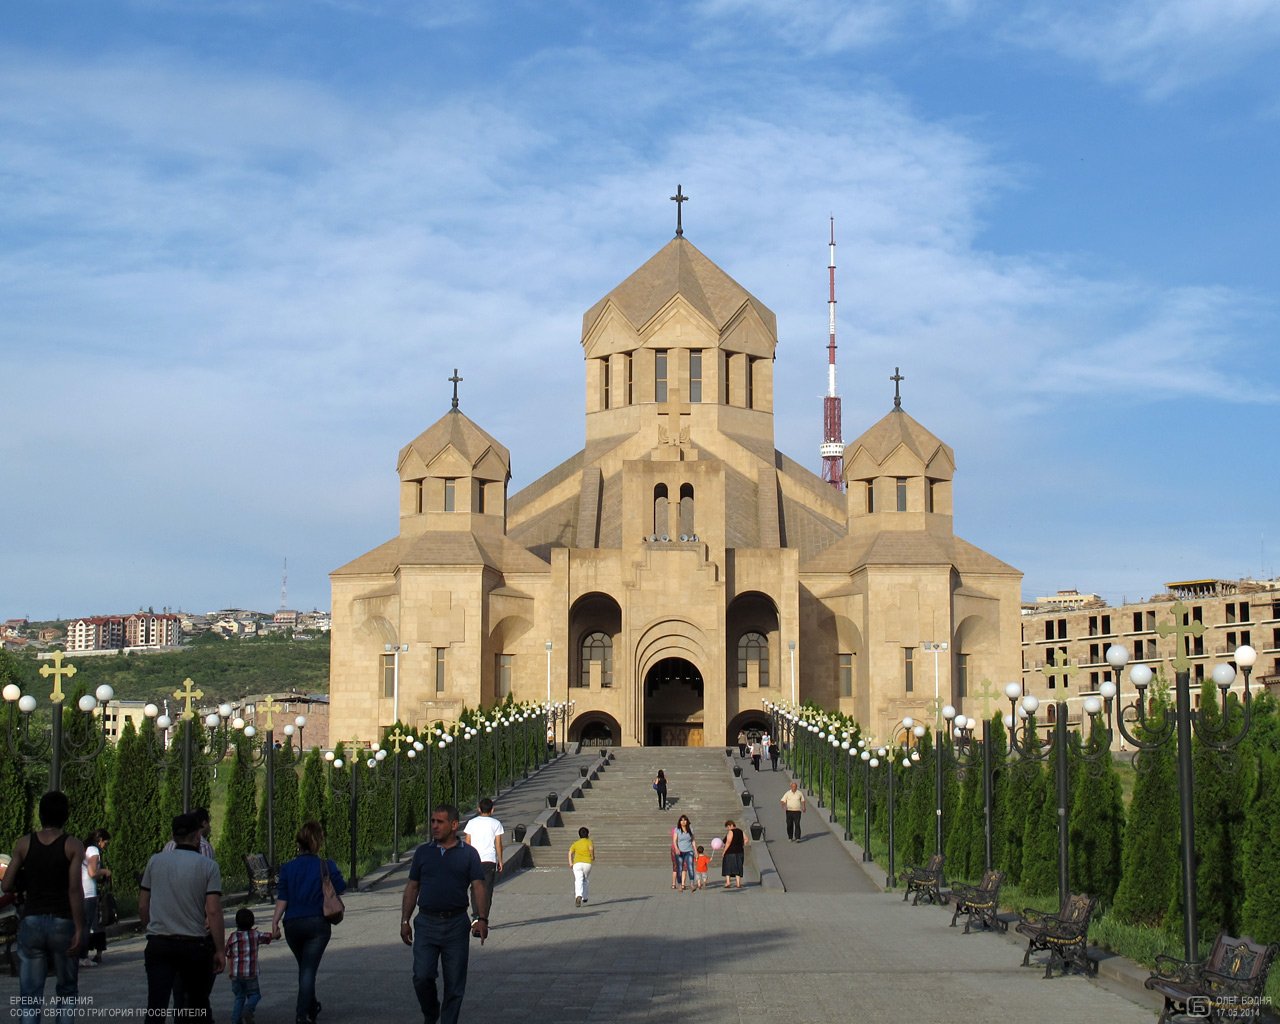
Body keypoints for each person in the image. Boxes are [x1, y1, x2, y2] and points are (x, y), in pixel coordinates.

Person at [401, 804, 489, 1024]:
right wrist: (405, 920)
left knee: (455, 983)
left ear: (454, 825)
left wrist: (481, 919)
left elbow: (478, 886)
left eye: (439, 822)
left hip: (456, 924)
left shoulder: (468, 854)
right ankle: (431, 1013)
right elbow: (412, 887)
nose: (434, 826)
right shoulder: (423, 852)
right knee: (422, 976)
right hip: (427, 923)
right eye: (432, 821)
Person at [3, 791, 85, 1024]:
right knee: (67, 991)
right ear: (65, 816)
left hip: (32, 920)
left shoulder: (24, 843)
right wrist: (80, 927)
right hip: (62, 921)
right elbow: (74, 889)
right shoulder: (72, 845)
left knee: (30, 995)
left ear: (41, 814)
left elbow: (7, 884)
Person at [139, 811, 225, 1020]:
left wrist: (150, 928)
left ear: (173, 836)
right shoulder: (208, 866)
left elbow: (143, 904)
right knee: (197, 1004)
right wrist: (220, 949)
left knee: (156, 1006)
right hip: (193, 944)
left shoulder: (155, 861)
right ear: (198, 836)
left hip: (159, 942)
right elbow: (213, 911)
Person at [271, 821, 346, 1024]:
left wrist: (275, 921)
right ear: (317, 842)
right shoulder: (325, 865)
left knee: (305, 968)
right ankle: (301, 1014)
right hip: (317, 925)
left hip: (292, 925)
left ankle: (312, 1006)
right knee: (308, 970)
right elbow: (341, 886)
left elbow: (283, 898)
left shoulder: (287, 868)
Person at [226, 907, 273, 1024]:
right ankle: (248, 1009)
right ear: (252, 922)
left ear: (236, 923)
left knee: (239, 997)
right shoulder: (255, 934)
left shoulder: (233, 937)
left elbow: (228, 954)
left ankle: (235, 1020)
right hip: (250, 974)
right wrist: (276, 933)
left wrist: (230, 971)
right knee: (255, 995)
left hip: (236, 975)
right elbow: (269, 937)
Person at [462, 798, 504, 923]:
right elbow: (498, 843)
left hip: (474, 860)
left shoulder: (471, 823)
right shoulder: (496, 824)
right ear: (492, 809)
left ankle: (475, 916)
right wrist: (500, 860)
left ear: (479, 809)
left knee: (475, 888)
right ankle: (484, 918)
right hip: (489, 860)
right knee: (487, 889)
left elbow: (467, 842)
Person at [80, 828, 111, 968]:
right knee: (87, 925)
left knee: (82, 925)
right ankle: (83, 956)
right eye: (105, 843)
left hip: (81, 891)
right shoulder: (94, 850)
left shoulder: (85, 848)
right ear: (100, 840)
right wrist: (105, 871)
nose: (105, 846)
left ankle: (80, 955)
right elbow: (92, 872)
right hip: (89, 892)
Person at [568, 827, 594, 907]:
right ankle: (585, 897)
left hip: (577, 864)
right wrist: (592, 856)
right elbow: (591, 849)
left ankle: (578, 896)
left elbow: (570, 853)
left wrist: (570, 863)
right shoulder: (589, 842)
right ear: (587, 834)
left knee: (578, 880)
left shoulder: (576, 843)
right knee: (585, 880)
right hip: (587, 863)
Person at [720, 820, 749, 889]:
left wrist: (724, 852)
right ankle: (738, 884)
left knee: (728, 867)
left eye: (727, 827)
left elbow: (728, 842)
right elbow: (746, 839)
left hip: (730, 852)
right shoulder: (741, 831)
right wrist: (742, 844)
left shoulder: (731, 832)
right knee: (738, 867)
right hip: (740, 852)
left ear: (730, 825)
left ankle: (728, 883)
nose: (727, 829)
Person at [671, 815, 696, 893]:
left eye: (685, 820)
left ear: (687, 821)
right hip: (680, 851)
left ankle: (692, 884)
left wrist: (696, 851)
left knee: (690, 867)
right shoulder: (677, 830)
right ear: (679, 822)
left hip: (689, 851)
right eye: (681, 820)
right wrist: (677, 849)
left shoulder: (690, 829)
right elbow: (674, 841)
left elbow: (693, 841)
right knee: (679, 868)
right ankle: (679, 885)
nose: (683, 822)